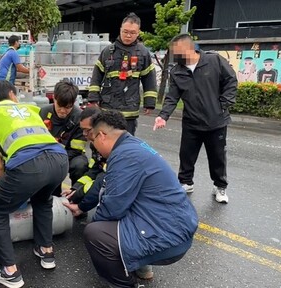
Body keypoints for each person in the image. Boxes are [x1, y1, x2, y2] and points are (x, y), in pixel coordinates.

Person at [65, 110, 199, 288]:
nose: (94, 147)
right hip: (174, 225)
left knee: (96, 233)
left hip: (169, 236)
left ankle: (126, 284)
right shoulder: (132, 146)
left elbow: (112, 209)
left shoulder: (124, 156)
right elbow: (103, 182)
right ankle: (141, 265)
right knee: (121, 219)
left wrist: (99, 237)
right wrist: (82, 207)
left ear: (102, 136)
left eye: (93, 141)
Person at [0, 80, 69, 288]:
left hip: (28, 167)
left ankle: (10, 272)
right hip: (60, 160)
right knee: (42, 201)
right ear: (12, 94)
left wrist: (0, 196)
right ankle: (46, 252)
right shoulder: (30, 108)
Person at [153, 33, 237, 203]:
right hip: (191, 122)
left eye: (177, 52)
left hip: (216, 122)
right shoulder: (177, 71)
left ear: (189, 48)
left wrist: (224, 103)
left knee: (217, 156)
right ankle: (185, 182)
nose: (175, 56)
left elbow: (231, 80)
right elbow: (172, 97)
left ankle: (220, 186)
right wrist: (163, 116)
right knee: (186, 155)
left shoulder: (214, 61)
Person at [87, 12, 157, 136]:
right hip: (108, 108)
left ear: (138, 33)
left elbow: (149, 79)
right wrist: (93, 97)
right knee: (104, 141)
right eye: (125, 31)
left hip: (129, 111)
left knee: (125, 144)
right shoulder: (108, 51)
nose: (128, 35)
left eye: (132, 33)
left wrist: (149, 102)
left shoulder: (143, 53)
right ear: (120, 29)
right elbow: (96, 76)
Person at [39, 80, 88, 188]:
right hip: (47, 156)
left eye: (67, 107)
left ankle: (76, 194)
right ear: (54, 98)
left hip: (71, 155)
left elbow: (76, 150)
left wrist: (57, 158)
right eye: (59, 106)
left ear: (74, 102)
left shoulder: (79, 117)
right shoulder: (43, 112)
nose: (62, 111)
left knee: (80, 165)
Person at [61, 106, 105, 204]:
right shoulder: (95, 145)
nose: (84, 134)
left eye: (87, 130)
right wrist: (75, 189)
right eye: (82, 130)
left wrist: (81, 204)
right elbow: (93, 171)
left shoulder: (113, 149)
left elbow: (101, 181)